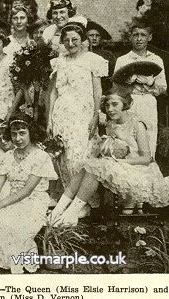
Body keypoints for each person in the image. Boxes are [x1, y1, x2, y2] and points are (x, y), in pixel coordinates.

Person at [50, 93, 169, 226]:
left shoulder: (137, 124)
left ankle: (71, 213)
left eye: (115, 104)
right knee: (87, 167)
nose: (110, 109)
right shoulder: (111, 124)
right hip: (118, 166)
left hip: (139, 169)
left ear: (125, 104)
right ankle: (57, 212)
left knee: (95, 169)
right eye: (107, 105)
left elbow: (147, 158)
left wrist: (121, 162)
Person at [0, 113, 57, 273]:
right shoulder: (8, 156)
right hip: (11, 198)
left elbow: (27, 190)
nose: (17, 138)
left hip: (33, 201)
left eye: (22, 133)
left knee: (6, 220)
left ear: (31, 133)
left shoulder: (41, 157)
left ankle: (15, 260)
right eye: (14, 134)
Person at [47, 22, 107, 186]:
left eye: (75, 39)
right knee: (62, 153)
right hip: (61, 114)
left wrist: (96, 115)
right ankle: (67, 197)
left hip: (83, 113)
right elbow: (53, 92)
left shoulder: (93, 60)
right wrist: (49, 120)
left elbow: (97, 91)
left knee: (79, 154)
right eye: (66, 40)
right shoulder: (59, 61)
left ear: (83, 40)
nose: (70, 44)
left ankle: (82, 200)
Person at [114, 21, 167, 158]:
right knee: (128, 140)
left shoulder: (156, 60)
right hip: (128, 103)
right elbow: (116, 88)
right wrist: (127, 83)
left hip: (148, 103)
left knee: (148, 138)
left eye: (143, 35)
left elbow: (162, 88)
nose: (139, 39)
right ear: (130, 37)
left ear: (149, 37)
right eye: (135, 35)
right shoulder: (122, 60)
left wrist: (151, 83)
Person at [86, 20, 116, 92]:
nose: (94, 38)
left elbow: (113, 74)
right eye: (91, 35)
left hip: (104, 89)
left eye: (97, 36)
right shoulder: (82, 54)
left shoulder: (108, 55)